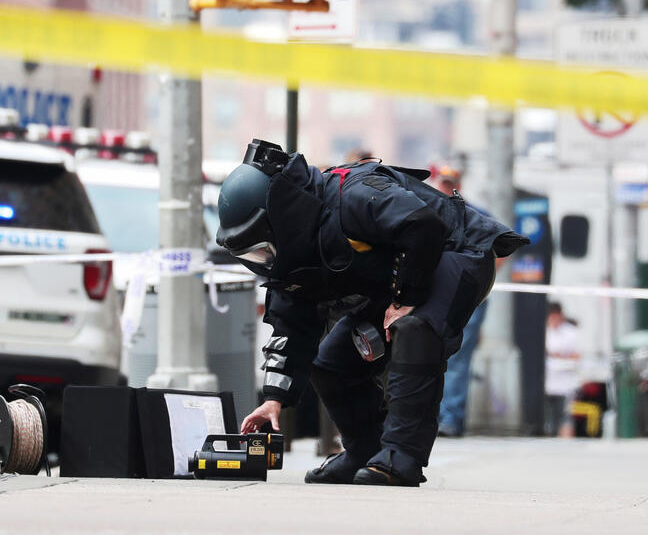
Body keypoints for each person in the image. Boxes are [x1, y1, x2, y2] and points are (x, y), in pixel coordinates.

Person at [218, 139, 528, 487]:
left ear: (281, 217)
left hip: (455, 251)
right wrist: (274, 399)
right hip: (400, 276)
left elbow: (422, 225)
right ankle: (366, 452)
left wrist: (405, 299)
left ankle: (401, 457)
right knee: (331, 364)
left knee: (414, 330)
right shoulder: (294, 258)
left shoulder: (353, 195)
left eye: (261, 251)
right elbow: (290, 328)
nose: (262, 261)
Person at [434, 163, 505, 438]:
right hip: (439, 293)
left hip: (465, 295)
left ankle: (449, 418)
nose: (446, 186)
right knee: (430, 354)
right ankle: (438, 416)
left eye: (450, 181)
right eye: (443, 181)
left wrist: (479, 279)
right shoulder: (430, 211)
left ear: (458, 184)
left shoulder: (475, 215)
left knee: (458, 358)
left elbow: (503, 249)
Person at [544, 301, 580, 437]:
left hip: (566, 382)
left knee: (565, 415)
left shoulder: (571, 332)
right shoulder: (545, 331)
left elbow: (577, 355)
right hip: (548, 381)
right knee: (549, 415)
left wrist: (559, 356)